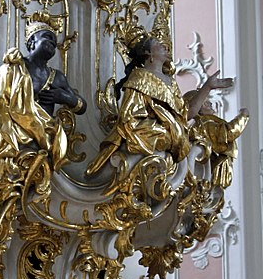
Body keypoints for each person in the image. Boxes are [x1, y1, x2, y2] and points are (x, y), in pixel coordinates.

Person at [86, 35, 233, 176]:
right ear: (148, 52)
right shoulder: (139, 77)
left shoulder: (171, 82)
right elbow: (129, 117)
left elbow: (187, 114)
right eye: (158, 43)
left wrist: (208, 86)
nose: (165, 46)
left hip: (171, 133)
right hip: (144, 131)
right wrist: (165, 126)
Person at [0, 21, 86, 174]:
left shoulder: (57, 77)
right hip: (15, 134)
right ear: (32, 41)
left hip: (44, 137)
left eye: (54, 41)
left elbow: (82, 107)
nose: (53, 43)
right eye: (47, 37)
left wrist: (65, 97)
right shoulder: (12, 69)